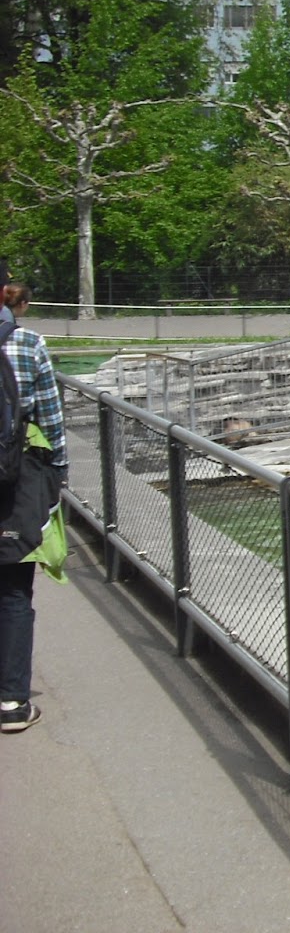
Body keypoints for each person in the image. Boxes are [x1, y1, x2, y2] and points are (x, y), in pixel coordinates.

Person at [0, 281, 69, 735]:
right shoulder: (27, 344)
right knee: (13, 590)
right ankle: (11, 702)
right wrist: (57, 475)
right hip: (11, 483)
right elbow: (50, 415)